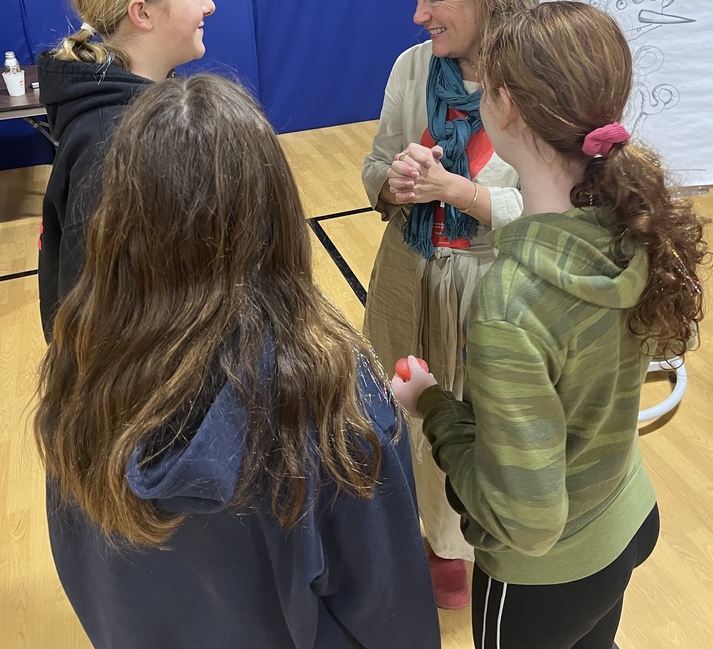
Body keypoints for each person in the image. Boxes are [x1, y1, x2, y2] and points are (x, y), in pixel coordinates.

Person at [34, 74, 441, 649]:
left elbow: (82, 558)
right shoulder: (325, 398)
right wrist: (376, 422)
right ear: (274, 210)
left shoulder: (80, 363)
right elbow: (390, 610)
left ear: (119, 213)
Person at [391, 0, 711, 649]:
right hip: (625, 519)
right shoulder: (632, 225)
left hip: (546, 574)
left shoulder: (512, 300)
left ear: (504, 107)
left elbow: (524, 520)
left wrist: (435, 408)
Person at [361, 0, 539, 608]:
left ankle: (478, 546)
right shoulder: (412, 67)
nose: (418, 14)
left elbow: (560, 213)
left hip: (494, 298)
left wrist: (460, 192)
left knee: (481, 425)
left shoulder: (539, 76)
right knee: (408, 411)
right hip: (407, 284)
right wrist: (394, 184)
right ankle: (430, 539)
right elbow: (376, 161)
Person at [37, 0, 215, 340]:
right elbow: (95, 329)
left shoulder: (145, 107)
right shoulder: (109, 144)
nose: (208, 4)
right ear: (142, 13)